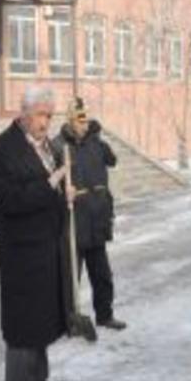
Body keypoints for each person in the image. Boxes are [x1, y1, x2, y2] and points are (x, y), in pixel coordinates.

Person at [0, 87, 71, 381]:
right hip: (21, 254)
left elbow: (47, 189)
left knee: (43, 319)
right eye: (41, 115)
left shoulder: (44, 145)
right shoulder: (2, 151)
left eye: (50, 115)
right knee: (23, 324)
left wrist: (65, 193)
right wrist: (49, 186)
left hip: (46, 248)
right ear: (24, 113)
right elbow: (3, 200)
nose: (47, 122)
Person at [54, 98, 126, 331]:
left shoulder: (96, 143)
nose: (84, 125)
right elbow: (48, 181)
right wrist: (62, 192)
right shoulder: (58, 146)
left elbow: (113, 161)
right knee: (70, 278)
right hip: (73, 222)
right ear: (70, 121)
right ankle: (69, 320)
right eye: (80, 120)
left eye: (86, 120)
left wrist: (99, 139)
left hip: (96, 219)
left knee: (102, 275)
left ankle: (105, 315)